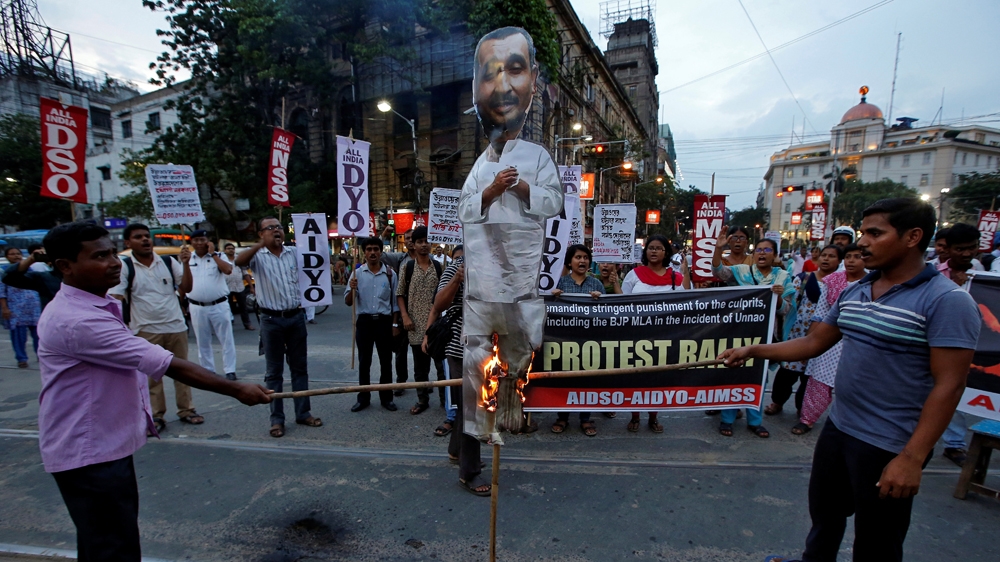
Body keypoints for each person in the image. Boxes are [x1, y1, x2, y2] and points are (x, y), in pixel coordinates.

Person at [722, 198, 980, 562]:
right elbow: (814, 342)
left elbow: (949, 385)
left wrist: (911, 457)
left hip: (890, 443)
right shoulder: (857, 291)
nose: (862, 243)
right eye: (863, 233)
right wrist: (753, 351)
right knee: (825, 519)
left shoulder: (947, 300)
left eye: (875, 233)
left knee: (877, 542)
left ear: (913, 237)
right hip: (839, 429)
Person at [35, 221, 271, 561]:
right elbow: (166, 364)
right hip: (89, 453)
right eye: (100, 256)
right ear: (65, 266)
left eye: (114, 253)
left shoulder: (93, 305)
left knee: (103, 542)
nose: (115, 262)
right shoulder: (78, 319)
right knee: (114, 547)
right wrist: (236, 389)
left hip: (100, 447)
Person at [459, 26, 564, 441]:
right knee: (476, 361)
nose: (502, 85)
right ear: (477, 88)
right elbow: (465, 209)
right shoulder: (479, 164)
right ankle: (476, 431)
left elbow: (554, 202)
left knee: (520, 353)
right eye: (490, 73)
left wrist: (519, 187)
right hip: (482, 286)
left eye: (515, 69)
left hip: (521, 284)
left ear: (532, 80)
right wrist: (491, 190)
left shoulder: (538, 157)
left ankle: (510, 401)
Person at [109, 223, 202, 433]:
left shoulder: (168, 261)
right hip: (145, 329)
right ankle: (156, 416)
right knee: (152, 377)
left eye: (146, 236)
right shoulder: (126, 266)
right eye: (138, 237)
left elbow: (186, 288)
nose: (144, 240)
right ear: (128, 242)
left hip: (175, 325)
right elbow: (116, 297)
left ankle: (187, 410)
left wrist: (186, 264)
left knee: (183, 372)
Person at [235, 218, 322, 438]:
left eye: (279, 227)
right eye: (270, 228)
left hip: (295, 317)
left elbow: (318, 253)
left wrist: (311, 222)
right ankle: (277, 419)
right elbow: (239, 262)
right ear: (261, 233)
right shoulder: (257, 256)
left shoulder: (294, 252)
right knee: (274, 373)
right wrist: (259, 245)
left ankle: (303, 413)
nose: (276, 231)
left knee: (299, 369)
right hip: (271, 320)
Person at [713, 234, 796, 439]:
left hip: (765, 337)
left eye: (767, 250)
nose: (762, 253)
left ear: (776, 256)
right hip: (739, 332)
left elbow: (787, 309)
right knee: (733, 374)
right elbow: (719, 272)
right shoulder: (742, 271)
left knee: (759, 377)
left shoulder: (782, 277)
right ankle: (727, 418)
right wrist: (718, 249)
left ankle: (755, 421)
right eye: (758, 250)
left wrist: (776, 298)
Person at [794, 244, 865, 435]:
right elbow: (820, 314)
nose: (851, 261)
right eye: (848, 256)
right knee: (818, 381)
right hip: (830, 340)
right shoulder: (832, 281)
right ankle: (807, 419)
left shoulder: (874, 282)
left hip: (860, 342)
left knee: (855, 385)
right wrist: (810, 343)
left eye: (857, 256)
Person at [620, 234, 687, 434]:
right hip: (636, 335)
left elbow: (687, 303)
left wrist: (688, 273)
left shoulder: (676, 277)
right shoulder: (634, 274)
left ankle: (654, 416)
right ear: (645, 251)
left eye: (659, 248)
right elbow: (622, 303)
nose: (654, 251)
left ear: (666, 253)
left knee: (658, 379)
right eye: (651, 248)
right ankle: (634, 416)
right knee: (635, 377)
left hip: (664, 337)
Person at [765, 245, 841, 418]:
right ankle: (777, 402)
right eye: (824, 255)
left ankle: (803, 408)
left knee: (810, 378)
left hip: (824, 336)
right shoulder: (803, 279)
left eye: (832, 256)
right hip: (797, 333)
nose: (827, 259)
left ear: (839, 261)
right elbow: (789, 303)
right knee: (787, 372)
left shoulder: (840, 284)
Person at [935, 222, 981, 466]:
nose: (966, 254)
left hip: (964, 343)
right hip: (933, 341)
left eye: (972, 248)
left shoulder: (984, 274)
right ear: (947, 250)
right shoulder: (933, 271)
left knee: (955, 390)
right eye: (961, 248)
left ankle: (954, 444)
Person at [550, 244, 604, 436]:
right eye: (578, 257)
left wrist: (600, 300)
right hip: (564, 341)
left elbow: (606, 314)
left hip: (588, 341)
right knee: (564, 378)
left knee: (586, 379)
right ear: (569, 262)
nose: (582, 261)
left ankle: (585, 418)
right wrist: (554, 298)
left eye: (585, 257)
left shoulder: (596, 285)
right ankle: (562, 416)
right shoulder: (560, 283)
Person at [345, 237, 399, 412]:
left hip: (383, 322)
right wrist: (352, 289)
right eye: (369, 249)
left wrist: (395, 325)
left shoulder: (390, 274)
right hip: (365, 322)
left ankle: (386, 398)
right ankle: (363, 398)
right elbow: (348, 302)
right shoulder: (356, 274)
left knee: (386, 362)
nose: (373, 252)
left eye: (376, 249)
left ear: (381, 252)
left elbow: (395, 304)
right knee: (364, 362)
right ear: (364, 252)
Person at [396, 226, 445, 415]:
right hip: (415, 325)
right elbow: (400, 294)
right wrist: (405, 316)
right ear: (413, 245)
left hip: (437, 326)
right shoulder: (406, 268)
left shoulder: (440, 267)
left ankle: (444, 400)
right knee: (420, 368)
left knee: (441, 367)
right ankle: (422, 400)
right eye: (419, 241)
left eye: (427, 241)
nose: (424, 245)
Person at [185, 230, 238, 381]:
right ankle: (208, 370)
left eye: (202, 239)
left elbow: (228, 270)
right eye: (196, 240)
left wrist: (213, 254)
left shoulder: (219, 256)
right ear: (191, 242)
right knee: (202, 340)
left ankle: (230, 370)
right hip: (196, 306)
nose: (199, 243)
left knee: (226, 338)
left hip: (219, 304)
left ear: (208, 241)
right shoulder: (188, 258)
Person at [430, 245, 464, 437]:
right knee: (463, 403)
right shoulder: (455, 266)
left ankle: (458, 449)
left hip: (488, 347)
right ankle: (467, 460)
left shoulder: (497, 266)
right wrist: (457, 280)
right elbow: (439, 304)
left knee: (480, 403)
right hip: (459, 347)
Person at [382, 228, 415, 395]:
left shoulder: (431, 261)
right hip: (402, 313)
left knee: (423, 352)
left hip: (423, 312)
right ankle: (401, 382)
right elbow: (379, 254)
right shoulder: (400, 259)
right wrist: (383, 236)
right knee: (401, 352)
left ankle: (423, 383)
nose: (409, 241)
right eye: (407, 238)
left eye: (412, 238)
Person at [0, 247, 41, 368]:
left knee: (39, 334)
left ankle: (41, 355)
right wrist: (4, 308)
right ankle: (21, 358)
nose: (16, 256)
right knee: (19, 336)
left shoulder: (30, 270)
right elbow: (1, 292)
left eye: (18, 254)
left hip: (34, 307)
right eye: (12, 254)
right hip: (16, 309)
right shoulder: (5, 272)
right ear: (7, 257)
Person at [223, 243, 254, 330]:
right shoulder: (222, 260)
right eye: (228, 248)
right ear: (225, 250)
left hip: (239, 286)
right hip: (227, 287)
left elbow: (245, 273)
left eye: (232, 248)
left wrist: (251, 287)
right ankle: (229, 324)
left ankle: (247, 324)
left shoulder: (239, 259)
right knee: (228, 307)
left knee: (243, 307)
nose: (231, 250)